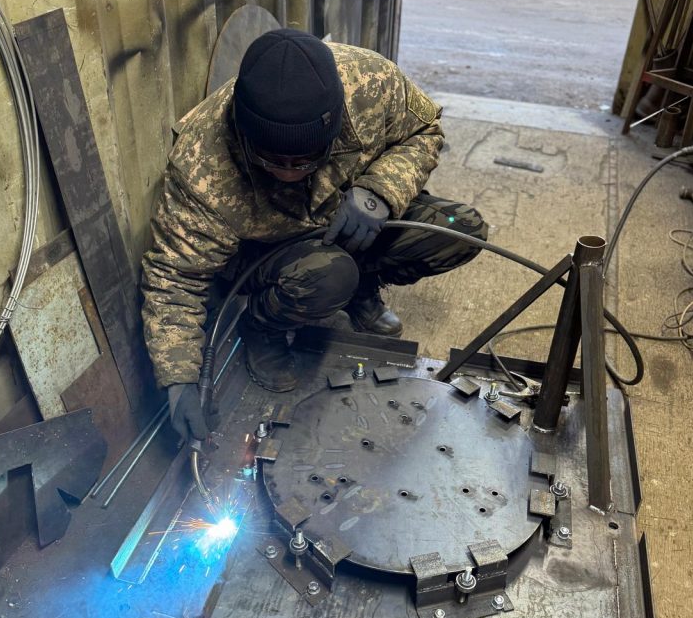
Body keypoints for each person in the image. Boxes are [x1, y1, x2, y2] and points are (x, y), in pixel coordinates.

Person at [141, 29, 487, 443]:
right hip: (268, 255)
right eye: (273, 161)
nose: (289, 172)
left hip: (355, 217)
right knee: (329, 275)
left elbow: (425, 129)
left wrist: (380, 190)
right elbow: (175, 278)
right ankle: (263, 327)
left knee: (460, 231)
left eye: (306, 160)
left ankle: (363, 285)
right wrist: (177, 379)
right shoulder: (202, 161)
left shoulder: (370, 83)